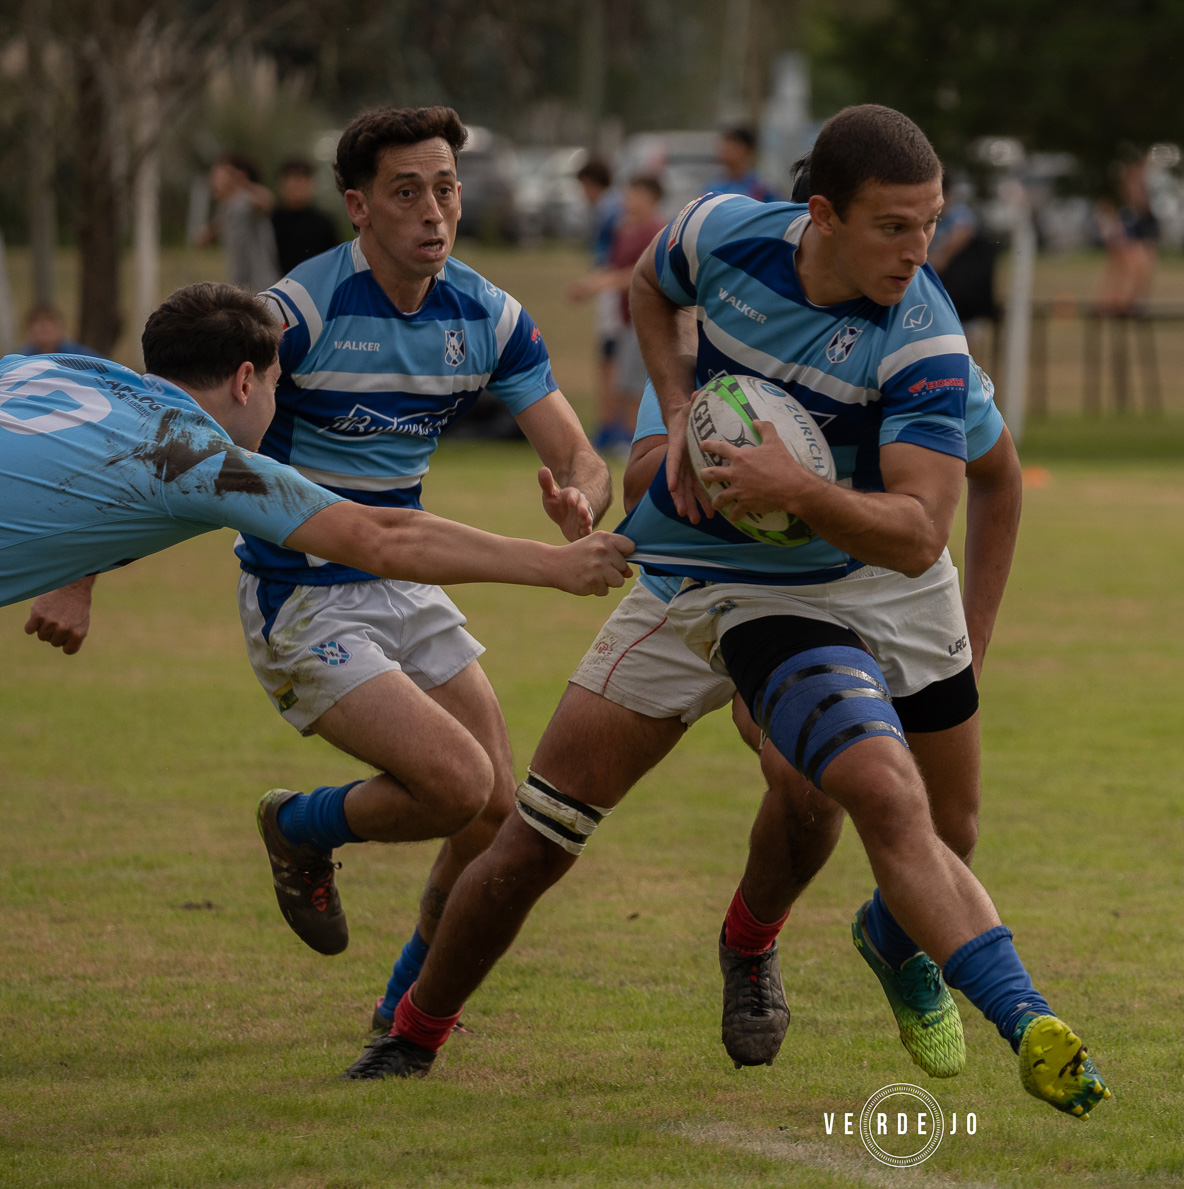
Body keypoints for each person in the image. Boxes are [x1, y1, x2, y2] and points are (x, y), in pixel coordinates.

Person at [350, 104, 1109, 1121]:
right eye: (893, 227)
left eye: (930, 225)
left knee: (931, 822)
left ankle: (788, 941)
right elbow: (649, 289)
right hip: (706, 574)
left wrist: (797, 492)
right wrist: (675, 417)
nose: (917, 253)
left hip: (864, 574)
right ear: (822, 215)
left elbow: (925, 529)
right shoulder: (724, 234)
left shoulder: (922, 338)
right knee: (543, 831)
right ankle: (413, 1032)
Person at [241, 105, 616, 1009]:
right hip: (304, 597)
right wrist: (84, 576)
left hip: (404, 576)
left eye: (445, 188)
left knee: (493, 814)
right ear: (358, 207)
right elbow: (168, 430)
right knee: (456, 783)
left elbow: (580, 453)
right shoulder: (297, 313)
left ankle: (406, 1007)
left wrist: (580, 497)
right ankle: (296, 826)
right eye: (405, 192)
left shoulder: (487, 315)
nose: (433, 212)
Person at [7, 282, 633, 657]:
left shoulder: (61, 369)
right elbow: (379, 537)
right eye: (279, 384)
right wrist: (555, 565)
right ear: (247, 381)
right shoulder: (195, 458)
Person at [567, 174, 662, 453]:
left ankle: (637, 443)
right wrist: (591, 283)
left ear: (652, 198)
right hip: (624, 318)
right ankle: (624, 437)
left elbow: (641, 274)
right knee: (621, 380)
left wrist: (599, 284)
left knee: (635, 385)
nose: (629, 200)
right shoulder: (625, 230)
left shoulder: (657, 230)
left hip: (645, 319)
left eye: (637, 194)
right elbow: (613, 267)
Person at [565, 160, 627, 449]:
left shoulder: (609, 209)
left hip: (612, 289)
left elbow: (615, 256)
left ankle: (611, 429)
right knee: (610, 357)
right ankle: (609, 426)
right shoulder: (613, 206)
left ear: (591, 183)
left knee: (611, 358)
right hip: (609, 286)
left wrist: (591, 284)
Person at [929, 178, 999, 363]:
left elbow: (942, 258)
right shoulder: (932, 220)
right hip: (944, 298)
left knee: (962, 355)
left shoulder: (961, 217)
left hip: (963, 300)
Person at [196, 153, 281, 292]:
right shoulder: (226, 205)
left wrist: (243, 184)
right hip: (240, 281)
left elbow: (268, 201)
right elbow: (221, 222)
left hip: (262, 282)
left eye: (218, 174)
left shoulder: (247, 200)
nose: (213, 179)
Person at [1096, 154, 1157, 314]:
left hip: (1133, 232)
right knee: (1128, 265)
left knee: (1139, 265)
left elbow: (1143, 212)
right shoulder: (1117, 195)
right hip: (1121, 233)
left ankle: (1126, 303)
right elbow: (1107, 215)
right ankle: (1112, 303)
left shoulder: (1139, 192)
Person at [270, 158, 342, 276]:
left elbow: (334, 263)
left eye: (303, 179)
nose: (297, 185)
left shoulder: (324, 223)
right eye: (293, 179)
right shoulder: (269, 219)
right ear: (282, 183)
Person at [711, 126, 775, 202]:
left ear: (748, 149)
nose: (725, 149)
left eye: (733, 145)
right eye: (724, 145)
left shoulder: (762, 188)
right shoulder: (714, 188)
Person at [15, 304, 100, 357]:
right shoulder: (18, 361)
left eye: (50, 320)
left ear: (61, 327)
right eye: (37, 321)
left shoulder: (83, 357)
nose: (44, 325)